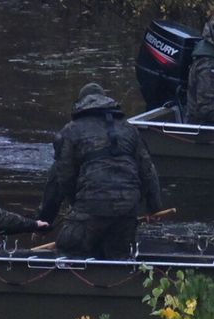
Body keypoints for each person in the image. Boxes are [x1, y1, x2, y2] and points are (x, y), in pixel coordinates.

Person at [50, 82, 163, 259]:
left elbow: (62, 178)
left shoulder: (70, 131)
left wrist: (48, 218)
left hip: (90, 205)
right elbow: (148, 172)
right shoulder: (129, 129)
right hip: (127, 209)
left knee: (68, 249)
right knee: (118, 258)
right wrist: (154, 208)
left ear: (81, 103)